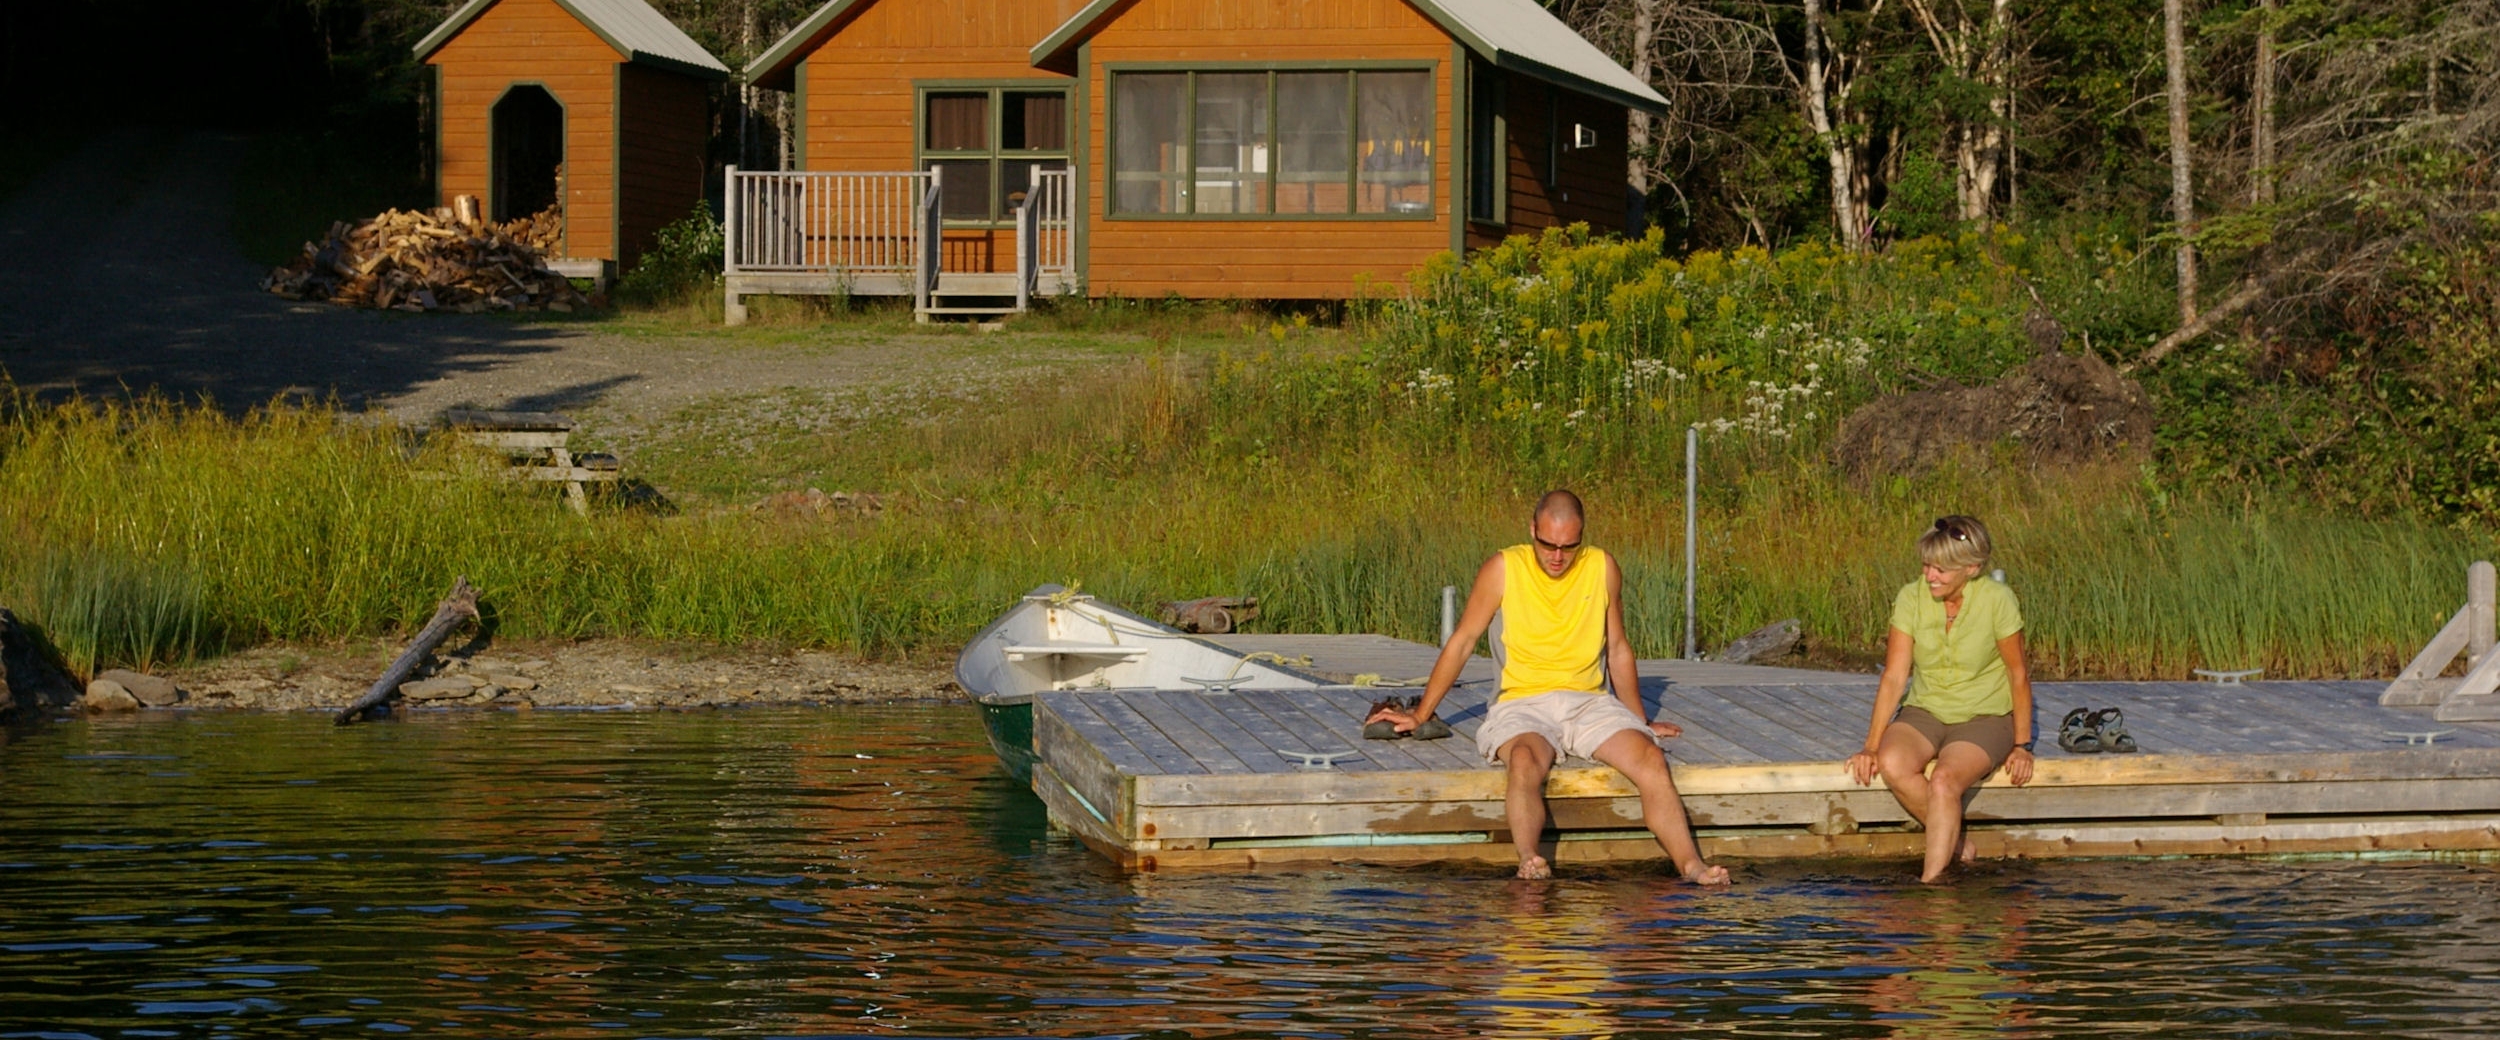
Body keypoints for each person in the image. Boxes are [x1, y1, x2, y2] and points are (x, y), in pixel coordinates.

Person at [1366, 491, 1729, 884]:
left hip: (1588, 701)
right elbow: (1463, 641)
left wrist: (1638, 720)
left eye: (1569, 547)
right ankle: (1530, 859)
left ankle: (1691, 866)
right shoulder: (1503, 568)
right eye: (1548, 545)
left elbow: (1618, 648)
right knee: (1524, 759)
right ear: (1532, 529)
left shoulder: (1602, 567)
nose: (1557, 557)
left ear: (1582, 538)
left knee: (1651, 760)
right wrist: (1420, 714)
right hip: (1522, 702)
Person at [1844, 514, 2036, 883]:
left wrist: (2021, 744)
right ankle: (1958, 843)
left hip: (1985, 716)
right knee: (1893, 762)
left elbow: (2018, 675)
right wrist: (1869, 746)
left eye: (1941, 569)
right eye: (1927, 565)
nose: (1930, 575)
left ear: (1972, 568)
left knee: (1945, 779)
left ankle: (1931, 883)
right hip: (1925, 710)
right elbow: (1895, 676)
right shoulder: (1910, 597)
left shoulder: (1998, 600)